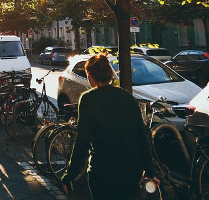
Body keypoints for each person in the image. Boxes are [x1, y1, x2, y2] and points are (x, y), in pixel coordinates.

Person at [60, 54, 159, 199]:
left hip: (102, 171)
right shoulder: (127, 97)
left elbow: (83, 141)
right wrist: (150, 172)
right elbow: (141, 137)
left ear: (91, 77)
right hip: (130, 170)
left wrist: (69, 175)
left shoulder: (88, 99)